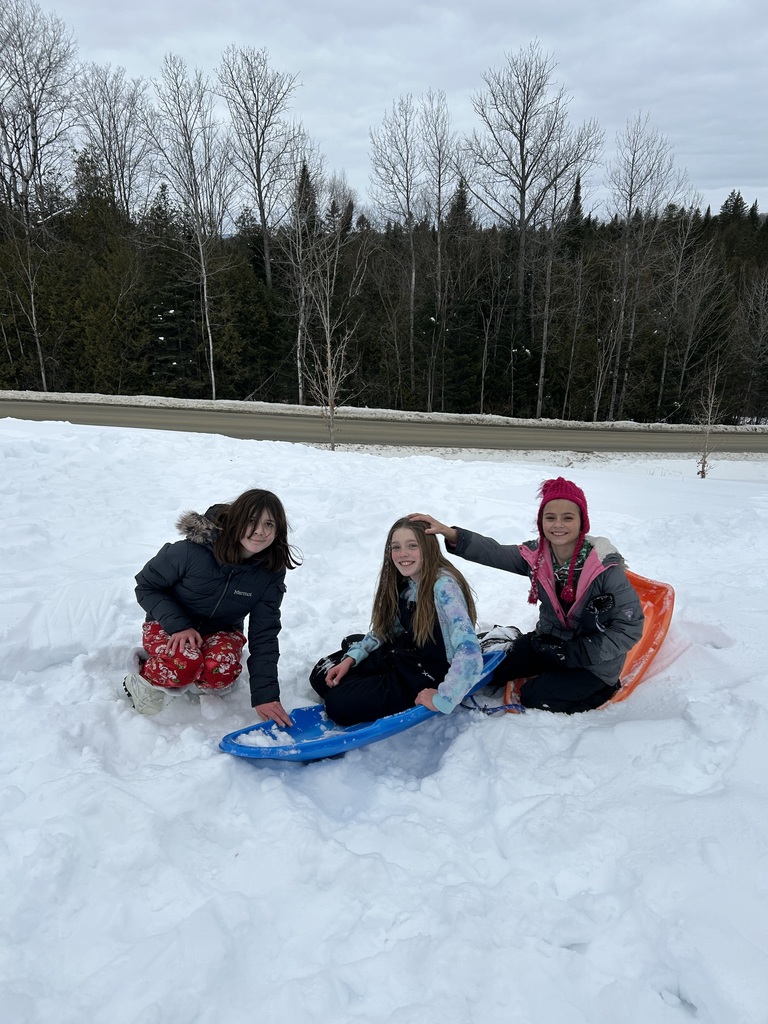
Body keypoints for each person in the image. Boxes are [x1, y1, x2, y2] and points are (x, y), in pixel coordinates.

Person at [411, 477, 644, 714]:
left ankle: (604, 688)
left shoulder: (605, 569)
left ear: (582, 522)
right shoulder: (537, 556)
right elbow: (494, 552)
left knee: (534, 696)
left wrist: (577, 653)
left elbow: (630, 628)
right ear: (541, 521)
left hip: (594, 663)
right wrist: (449, 533)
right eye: (550, 517)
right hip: (550, 642)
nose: (558, 525)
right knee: (493, 673)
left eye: (568, 517)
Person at [124, 488, 300, 723]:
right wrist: (178, 625)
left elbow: (264, 632)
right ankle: (144, 677)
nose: (260, 531)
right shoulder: (190, 551)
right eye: (251, 521)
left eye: (269, 524)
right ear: (237, 520)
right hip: (168, 625)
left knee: (221, 671)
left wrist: (265, 695)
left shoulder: (269, 572)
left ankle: (195, 672)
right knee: (182, 664)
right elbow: (146, 586)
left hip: (221, 631)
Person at [309, 517, 483, 726]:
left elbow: (470, 651)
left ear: (428, 547)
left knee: (338, 704)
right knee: (321, 675)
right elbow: (388, 629)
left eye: (412, 546)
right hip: (404, 653)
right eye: (396, 547)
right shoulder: (408, 582)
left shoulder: (443, 587)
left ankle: (365, 684)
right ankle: (362, 674)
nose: (403, 554)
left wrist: (443, 698)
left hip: (424, 674)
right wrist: (352, 658)